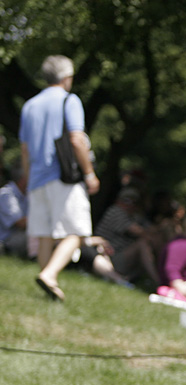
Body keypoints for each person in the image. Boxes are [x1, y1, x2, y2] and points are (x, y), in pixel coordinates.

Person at [18, 55, 100, 302]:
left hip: (37, 179)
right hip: (62, 177)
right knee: (77, 231)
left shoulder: (30, 105)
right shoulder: (69, 100)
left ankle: (49, 286)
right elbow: (76, 139)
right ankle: (50, 275)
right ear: (67, 77)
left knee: (44, 234)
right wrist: (89, 174)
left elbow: (24, 149)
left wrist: (28, 178)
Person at [93, 187, 161, 285]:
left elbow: (150, 231)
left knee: (152, 241)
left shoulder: (134, 216)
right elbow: (139, 231)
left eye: (133, 201)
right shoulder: (115, 211)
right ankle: (157, 280)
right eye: (126, 200)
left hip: (119, 256)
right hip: (109, 257)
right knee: (142, 244)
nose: (129, 204)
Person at [0, 163, 30, 258]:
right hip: (7, 241)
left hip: (20, 235)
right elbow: (20, 223)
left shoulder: (26, 194)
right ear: (23, 179)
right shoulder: (6, 195)